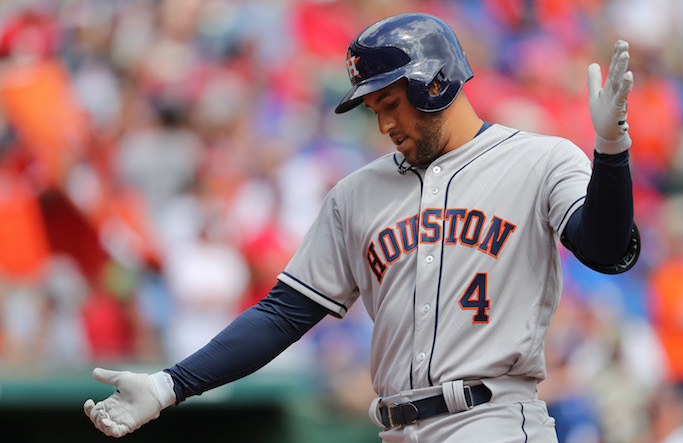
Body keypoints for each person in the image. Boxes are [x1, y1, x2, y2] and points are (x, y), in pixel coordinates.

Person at [84, 13, 640, 442]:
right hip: (395, 427)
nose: (384, 124)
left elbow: (606, 250)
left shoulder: (540, 161)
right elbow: (284, 313)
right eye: (375, 108)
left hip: (490, 419)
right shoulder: (357, 194)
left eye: (392, 102)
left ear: (437, 83)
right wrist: (167, 386)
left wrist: (611, 151)